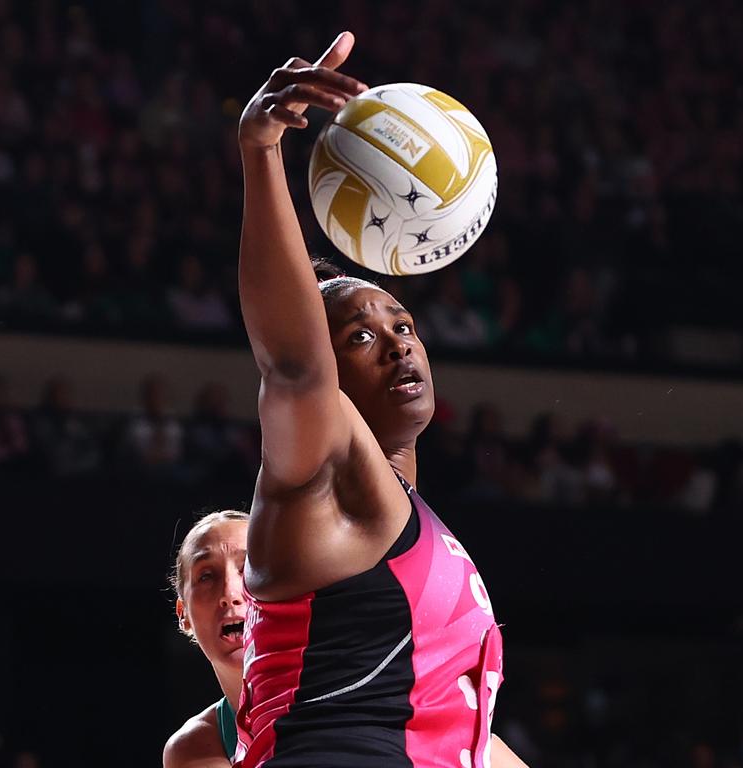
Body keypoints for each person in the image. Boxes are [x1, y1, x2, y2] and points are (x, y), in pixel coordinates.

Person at [233, 31, 527, 768]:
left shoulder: (413, 521)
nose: (398, 342)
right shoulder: (320, 475)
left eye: (403, 324)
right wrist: (262, 151)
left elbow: (457, 734)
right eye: (360, 337)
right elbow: (295, 367)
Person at [164, 510, 250, 768]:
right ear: (184, 614)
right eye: (207, 576)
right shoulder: (194, 748)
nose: (229, 593)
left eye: (248, 569)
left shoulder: (348, 690)